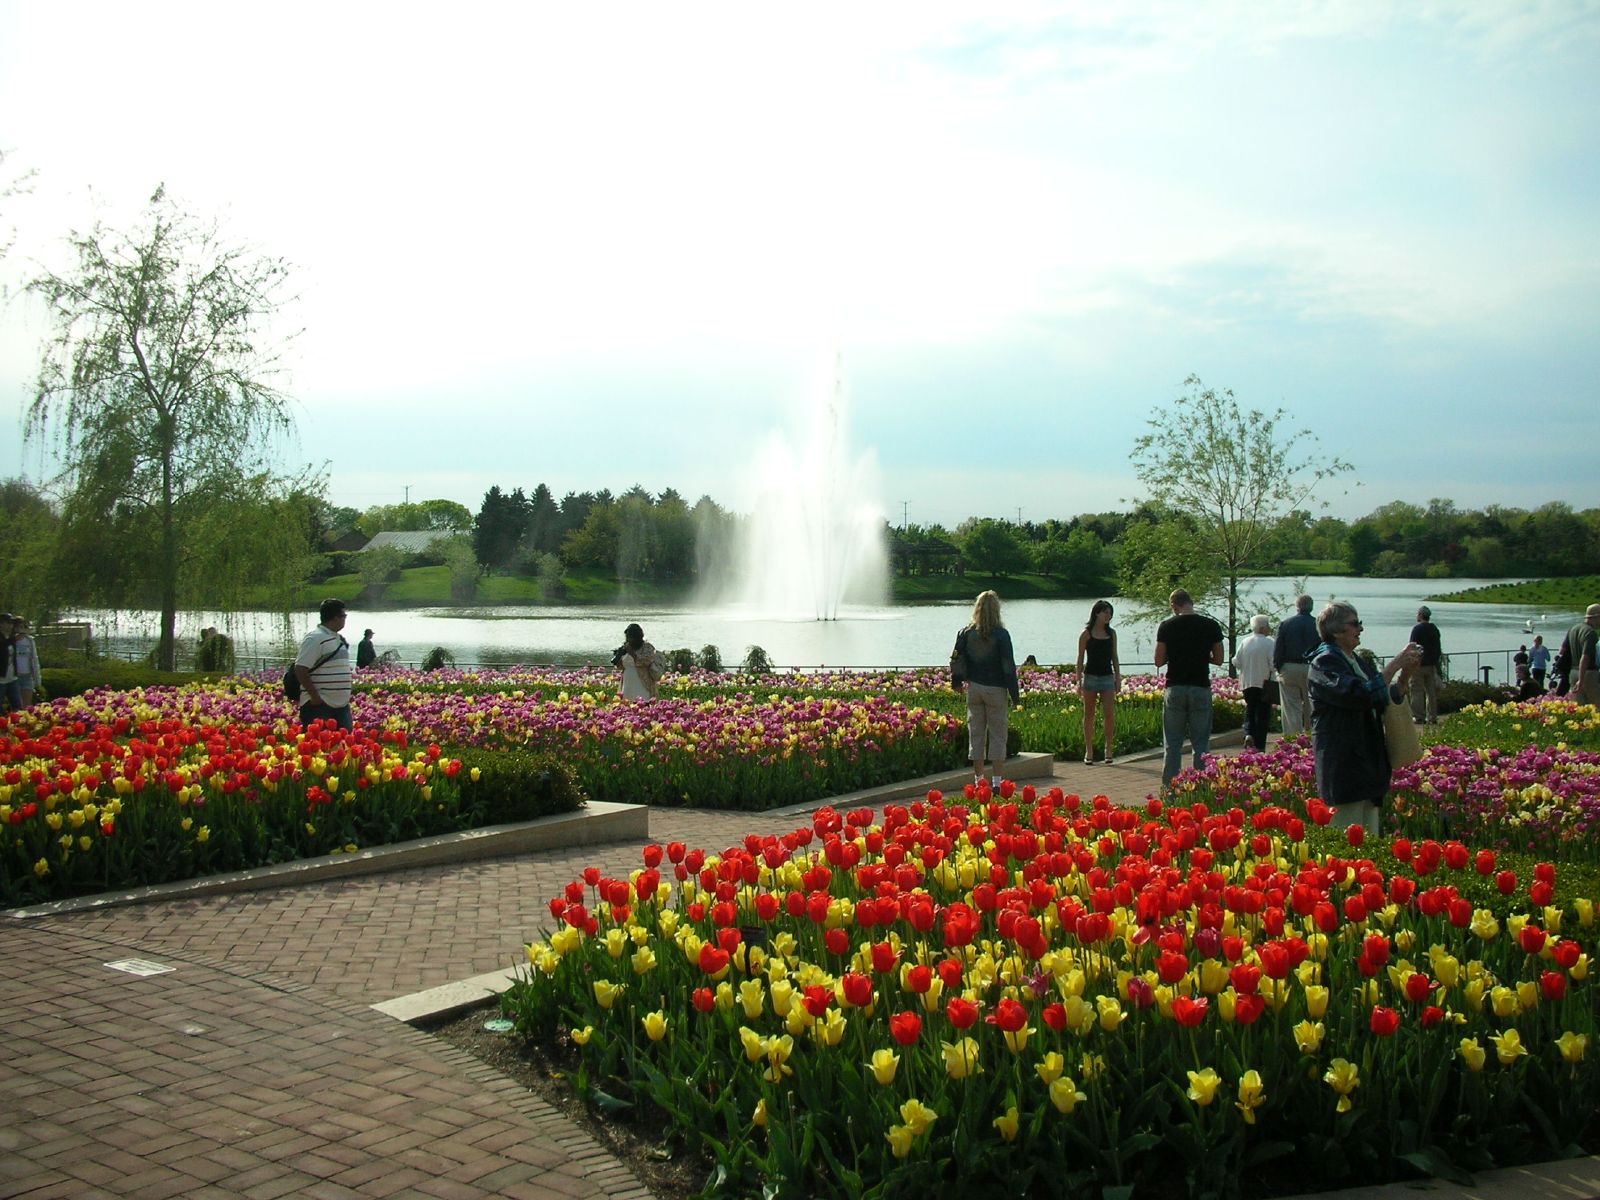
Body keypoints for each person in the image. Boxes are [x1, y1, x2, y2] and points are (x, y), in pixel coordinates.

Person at [1309, 601, 1420, 836]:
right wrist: (1395, 663)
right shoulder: (1324, 663)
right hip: (1344, 763)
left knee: (1369, 835)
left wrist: (1403, 679)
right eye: (1354, 624)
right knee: (1347, 836)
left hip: (1367, 762)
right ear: (1336, 630)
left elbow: (1379, 698)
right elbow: (1358, 696)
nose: (1360, 629)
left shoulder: (1355, 661)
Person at [950, 590, 1020, 789]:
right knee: (998, 734)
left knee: (976, 734)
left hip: (974, 687)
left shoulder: (965, 632)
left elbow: (955, 658)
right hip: (996, 689)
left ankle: (978, 781)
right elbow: (1008, 666)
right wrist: (1015, 697)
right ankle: (997, 783)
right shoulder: (1001, 635)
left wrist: (956, 682)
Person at [1154, 589, 1224, 787]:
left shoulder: (1167, 626)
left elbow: (1158, 660)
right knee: (1201, 743)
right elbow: (1219, 659)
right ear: (1190, 602)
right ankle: (1200, 787)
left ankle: (1170, 788)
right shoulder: (1211, 625)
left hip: (1175, 686)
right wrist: (1203, 656)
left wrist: (1172, 656)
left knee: (1173, 743)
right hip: (1200, 686)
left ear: (1174, 606)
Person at [294, 598, 354, 731]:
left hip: (341, 705)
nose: (345, 619)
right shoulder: (315, 638)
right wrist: (315, 697)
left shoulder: (337, 638)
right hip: (320, 705)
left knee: (344, 746)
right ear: (334, 618)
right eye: (343, 616)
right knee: (320, 745)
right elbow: (300, 668)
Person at [1074, 600, 1121, 765]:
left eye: (1110, 613)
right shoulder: (1086, 634)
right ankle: (1089, 750)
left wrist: (1118, 678)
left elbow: (1114, 656)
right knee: (1089, 715)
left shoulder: (1111, 634)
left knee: (1109, 714)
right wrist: (1078, 680)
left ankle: (1108, 748)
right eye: (1105, 612)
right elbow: (1080, 658)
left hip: (1107, 677)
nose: (1108, 616)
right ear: (1097, 613)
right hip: (1090, 677)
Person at [1273, 594, 1318, 737]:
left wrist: (1279, 667)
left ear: (1296, 607)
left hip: (1289, 667)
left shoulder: (1285, 624)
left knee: (1290, 707)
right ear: (1311, 607)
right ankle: (1313, 736)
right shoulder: (1318, 624)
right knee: (1312, 705)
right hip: (1312, 668)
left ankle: (1293, 740)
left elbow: (1278, 648)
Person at [1232, 614, 1276, 752]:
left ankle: (1248, 734)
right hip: (1264, 683)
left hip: (1247, 682)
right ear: (1263, 628)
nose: (1269, 628)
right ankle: (1260, 745)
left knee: (1250, 709)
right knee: (1262, 714)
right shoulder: (1270, 642)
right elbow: (1273, 664)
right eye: (1268, 626)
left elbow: (1236, 662)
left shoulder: (1245, 642)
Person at [1408, 606, 1443, 724]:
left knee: (1416, 691)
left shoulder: (1417, 629)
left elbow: (1412, 647)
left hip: (1419, 665)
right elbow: (1438, 648)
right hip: (1431, 665)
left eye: (1417, 613)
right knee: (1431, 692)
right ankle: (1432, 717)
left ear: (1421, 615)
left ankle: (1419, 717)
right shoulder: (1434, 629)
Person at [613, 622, 662, 700]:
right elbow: (620, 667)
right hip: (627, 684)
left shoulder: (647, 647)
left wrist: (632, 653)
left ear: (637, 637)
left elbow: (645, 662)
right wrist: (618, 656)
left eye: (631, 637)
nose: (629, 640)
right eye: (628, 637)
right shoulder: (625, 648)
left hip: (643, 684)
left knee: (643, 705)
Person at [1568, 605, 1600, 707]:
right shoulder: (1590, 633)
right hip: (1587, 673)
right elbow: (1585, 657)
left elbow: (1562, 650)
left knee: (1580, 708)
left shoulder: (1573, 629)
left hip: (1573, 672)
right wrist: (1581, 680)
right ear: (1596, 617)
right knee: (1595, 707)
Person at [11, 617, 39, 709]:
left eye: (22, 627)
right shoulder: (10, 641)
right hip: (15, 676)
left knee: (27, 706)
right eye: (18, 627)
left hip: (27, 675)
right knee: (17, 705)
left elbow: (34, 659)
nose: (20, 629)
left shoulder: (29, 641)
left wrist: (37, 678)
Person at [0, 613, 17, 713]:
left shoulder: (11, 638)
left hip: (12, 678)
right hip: (1, 679)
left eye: (12, 623)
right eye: (8, 623)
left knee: (17, 706)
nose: (11, 626)